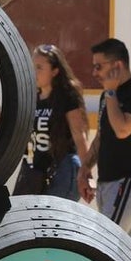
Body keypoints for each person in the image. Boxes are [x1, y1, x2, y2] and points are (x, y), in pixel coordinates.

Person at [79, 38, 131, 247]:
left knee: (105, 244)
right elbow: (102, 135)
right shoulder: (107, 95)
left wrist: (111, 93)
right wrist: (85, 168)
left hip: (128, 180)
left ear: (117, 66)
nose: (95, 73)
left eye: (99, 66)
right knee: (129, 251)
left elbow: (122, 130)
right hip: (108, 181)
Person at [29, 44, 89, 200]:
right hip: (41, 172)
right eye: (33, 66)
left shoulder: (67, 97)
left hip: (65, 170)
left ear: (55, 71)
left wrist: (86, 173)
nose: (34, 72)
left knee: (52, 214)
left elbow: (79, 136)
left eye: (39, 67)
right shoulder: (34, 98)